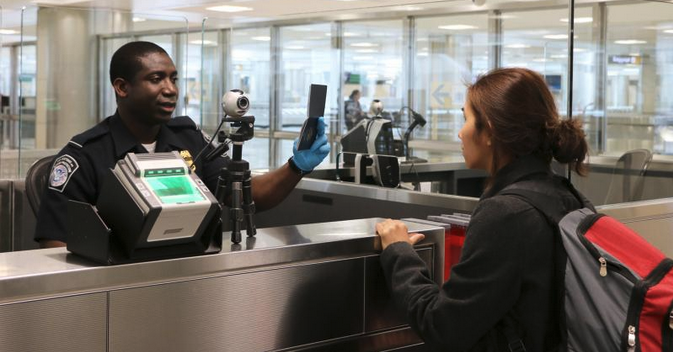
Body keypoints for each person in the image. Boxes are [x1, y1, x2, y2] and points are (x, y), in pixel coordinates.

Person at [35, 41, 330, 248]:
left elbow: (244, 198)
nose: (170, 89)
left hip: (190, 274)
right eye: (156, 79)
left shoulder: (188, 138)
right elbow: (55, 242)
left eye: (173, 79)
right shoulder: (86, 155)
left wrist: (296, 167)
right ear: (122, 87)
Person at [375, 67, 589, 351]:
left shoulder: (506, 214)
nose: (460, 133)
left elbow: (442, 327)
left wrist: (399, 253)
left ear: (488, 131)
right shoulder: (566, 196)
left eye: (466, 119)